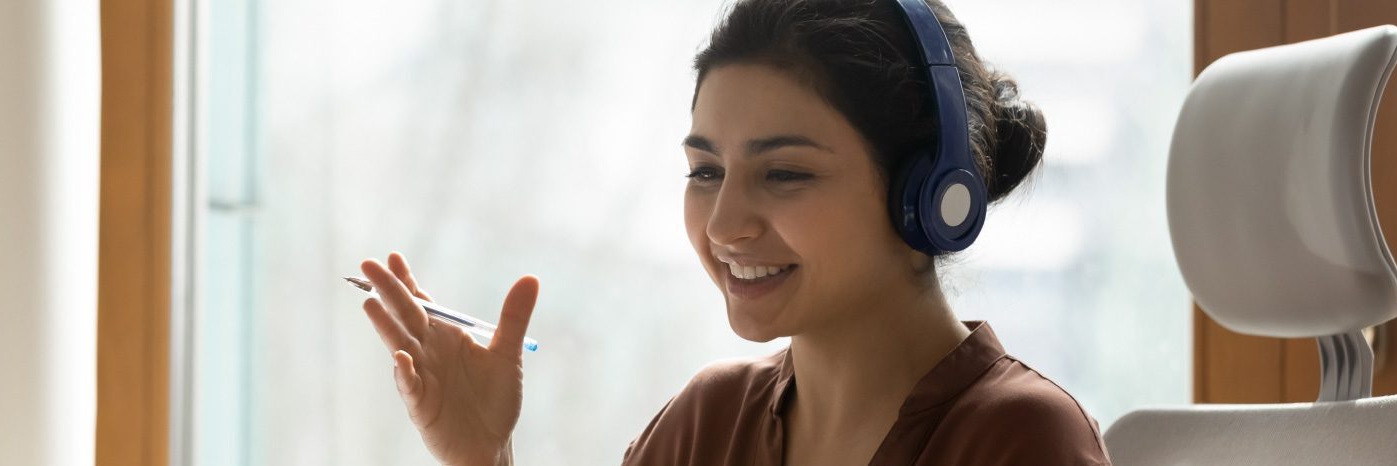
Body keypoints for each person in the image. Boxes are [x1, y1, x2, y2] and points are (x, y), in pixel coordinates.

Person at [352, 0, 1111, 464]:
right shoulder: (705, 423)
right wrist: (485, 459)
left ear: (929, 197)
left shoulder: (1018, 440)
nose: (723, 225)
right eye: (706, 171)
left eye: (784, 174)